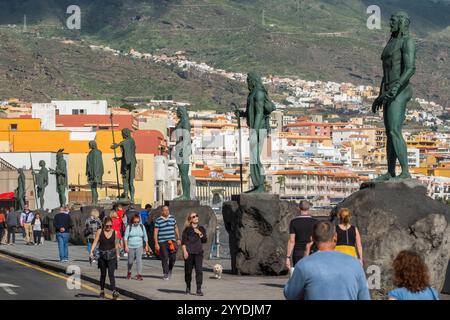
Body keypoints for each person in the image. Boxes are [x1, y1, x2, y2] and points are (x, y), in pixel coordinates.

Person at [284, 221, 370, 300]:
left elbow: (290, 294)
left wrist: (306, 254)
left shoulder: (304, 265)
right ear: (335, 237)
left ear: (313, 238)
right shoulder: (354, 263)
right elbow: (364, 296)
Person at [90, 217, 120, 299]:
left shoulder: (115, 232)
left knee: (111, 274)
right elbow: (95, 242)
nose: (109, 228)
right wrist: (91, 252)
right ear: (104, 225)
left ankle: (114, 291)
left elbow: (116, 244)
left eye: (110, 226)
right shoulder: (100, 232)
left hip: (112, 256)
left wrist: (118, 254)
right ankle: (102, 291)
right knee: (103, 274)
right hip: (102, 256)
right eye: (107, 226)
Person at [182, 212, 207, 296]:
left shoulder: (201, 228)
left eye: (197, 215)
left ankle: (198, 289)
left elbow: (204, 240)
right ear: (190, 219)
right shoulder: (187, 229)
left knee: (199, 271)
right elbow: (183, 242)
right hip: (189, 253)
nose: (196, 217)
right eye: (194, 216)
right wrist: (185, 251)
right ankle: (188, 287)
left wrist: (200, 233)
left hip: (198, 253)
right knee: (188, 271)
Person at [286, 200, 317, 269]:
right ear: (309, 208)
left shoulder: (294, 222)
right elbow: (317, 239)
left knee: (299, 275)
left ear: (299, 208)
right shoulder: (315, 222)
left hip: (298, 252)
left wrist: (288, 257)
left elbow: (292, 241)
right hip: (312, 252)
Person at [154, 206, 181, 280]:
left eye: (167, 210)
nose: (166, 211)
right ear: (162, 212)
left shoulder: (172, 218)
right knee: (165, 258)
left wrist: (178, 238)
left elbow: (176, 227)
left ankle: (170, 269)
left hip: (172, 241)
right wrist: (156, 243)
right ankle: (165, 273)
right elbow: (156, 232)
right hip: (162, 241)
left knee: (173, 257)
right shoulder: (158, 220)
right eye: (165, 210)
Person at [124, 214, 149, 280]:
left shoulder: (141, 226)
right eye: (135, 222)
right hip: (130, 246)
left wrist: (146, 245)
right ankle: (129, 272)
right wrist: (126, 246)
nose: (136, 223)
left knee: (139, 260)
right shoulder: (129, 227)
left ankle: (139, 274)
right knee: (130, 261)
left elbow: (145, 236)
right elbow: (125, 237)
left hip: (139, 246)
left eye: (138, 222)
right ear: (132, 221)